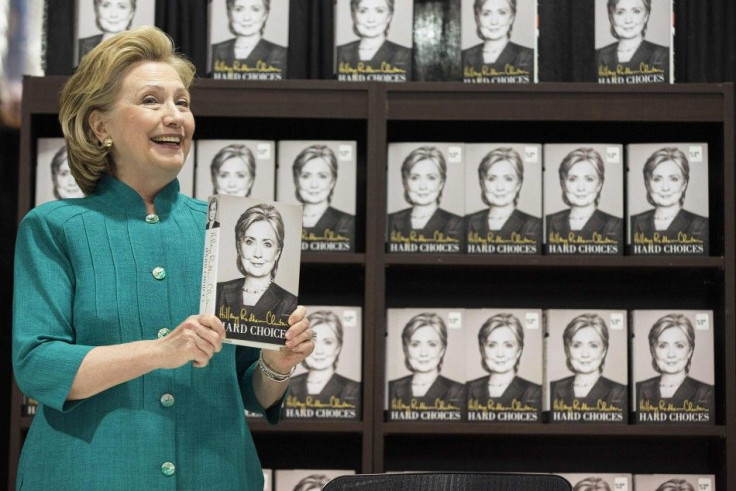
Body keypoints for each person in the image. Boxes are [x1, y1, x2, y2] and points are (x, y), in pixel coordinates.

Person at [12, 26, 313, 489]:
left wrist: (280, 361)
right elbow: (37, 365)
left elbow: (251, 390)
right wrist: (160, 352)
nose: (175, 116)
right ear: (100, 125)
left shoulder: (225, 229)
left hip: (215, 474)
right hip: (87, 475)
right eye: (151, 100)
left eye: (183, 103)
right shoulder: (54, 227)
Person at [215, 203, 298, 325]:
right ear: (239, 247)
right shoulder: (217, 292)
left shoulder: (290, 303)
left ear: (277, 253)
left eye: (267, 244)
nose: (258, 254)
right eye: (249, 242)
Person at [629, 147, 708, 251]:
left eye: (674, 179)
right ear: (647, 184)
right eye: (657, 179)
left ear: (684, 184)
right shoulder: (632, 222)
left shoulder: (702, 225)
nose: (665, 187)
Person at [387, 146, 464, 246]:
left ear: (441, 183)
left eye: (431, 178)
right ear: (405, 182)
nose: (423, 186)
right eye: (415, 178)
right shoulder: (390, 220)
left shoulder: (458, 224)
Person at [464, 147, 540, 248]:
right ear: (482, 183)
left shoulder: (536, 225)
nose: (500, 187)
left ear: (518, 184)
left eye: (508, 179)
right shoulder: (466, 222)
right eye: (492, 179)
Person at [545, 147, 622, 247]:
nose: (580, 188)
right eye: (572, 179)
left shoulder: (617, 225)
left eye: (589, 179)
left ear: (599, 184)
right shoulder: (546, 223)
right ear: (563, 184)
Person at [388, 312, 465, 410]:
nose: (423, 353)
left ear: (442, 350)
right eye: (415, 344)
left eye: (432, 344)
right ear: (406, 349)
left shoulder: (459, 391)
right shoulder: (390, 388)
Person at [637, 313, 714, 409]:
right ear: (653, 351)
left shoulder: (706, 393)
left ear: (690, 351)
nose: (671, 354)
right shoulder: (637, 389)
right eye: (662, 346)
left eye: (679, 346)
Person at [550, 313, 626, 409]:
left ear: (604, 351)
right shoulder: (551, 389)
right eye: (577, 345)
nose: (585, 354)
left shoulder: (620, 393)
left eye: (593, 345)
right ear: (567, 350)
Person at [288, 310, 360, 410]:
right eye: (313, 341)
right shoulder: (288, 385)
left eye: (328, 342)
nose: (319, 351)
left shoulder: (353, 389)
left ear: (338, 348)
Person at [466, 313, 541, 409]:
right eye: (492, 345)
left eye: (508, 345)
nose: (500, 354)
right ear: (482, 350)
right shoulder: (467, 389)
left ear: (519, 351)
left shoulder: (535, 392)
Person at [292, 144, 354, 244]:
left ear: (332, 181)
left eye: (322, 176)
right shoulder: (285, 219)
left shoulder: (348, 223)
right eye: (306, 176)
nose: (314, 185)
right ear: (296, 180)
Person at [335, 0, 412, 80]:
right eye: (363, 11)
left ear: (389, 16)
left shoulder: (406, 56)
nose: (371, 19)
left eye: (379, 11)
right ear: (354, 15)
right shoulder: (338, 53)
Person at [210, 0, 287, 78]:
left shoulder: (281, 55)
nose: (246, 18)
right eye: (239, 9)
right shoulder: (212, 52)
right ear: (229, 13)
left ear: (265, 15)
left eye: (255, 9)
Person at [595, 0, 669, 81]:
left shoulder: (663, 55)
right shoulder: (597, 56)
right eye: (620, 12)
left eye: (636, 11)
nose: (628, 20)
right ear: (611, 17)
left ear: (646, 16)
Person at [462, 0, 534, 82]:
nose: (494, 22)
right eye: (486, 14)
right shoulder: (463, 57)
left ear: (512, 17)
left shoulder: (529, 57)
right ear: (477, 18)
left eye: (502, 13)